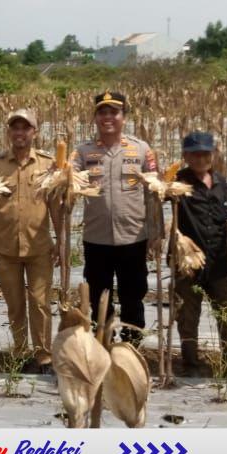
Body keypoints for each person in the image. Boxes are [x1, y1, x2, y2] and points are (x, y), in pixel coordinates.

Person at [71, 91, 158, 345]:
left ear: (124, 117)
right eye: (102, 112)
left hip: (133, 237)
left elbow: (154, 194)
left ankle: (132, 344)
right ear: (95, 117)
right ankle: (103, 343)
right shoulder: (83, 152)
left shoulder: (141, 150)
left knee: (133, 294)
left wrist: (156, 233)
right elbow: (67, 182)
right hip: (96, 239)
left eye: (114, 112)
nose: (107, 117)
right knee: (99, 296)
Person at [0, 109, 57, 372]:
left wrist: (61, 240)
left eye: (25, 128)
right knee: (15, 305)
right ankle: (22, 352)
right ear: (9, 131)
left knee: (40, 303)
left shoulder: (48, 164)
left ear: (34, 132)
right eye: (15, 127)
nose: (20, 132)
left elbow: (56, 205)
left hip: (39, 247)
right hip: (5, 249)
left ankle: (44, 355)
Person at [171, 131, 227, 375]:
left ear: (213, 155)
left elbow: (225, 218)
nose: (201, 159)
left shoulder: (221, 182)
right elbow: (155, 203)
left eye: (205, 154)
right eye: (195, 154)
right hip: (188, 263)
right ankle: (191, 364)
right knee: (187, 317)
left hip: (219, 262)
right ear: (185, 156)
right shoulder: (177, 183)